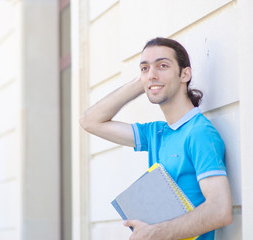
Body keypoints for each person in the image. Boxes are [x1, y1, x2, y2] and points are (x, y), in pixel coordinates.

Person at [79, 37, 233, 240]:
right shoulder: (156, 133)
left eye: (162, 66)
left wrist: (155, 233)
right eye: (144, 68)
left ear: (185, 74)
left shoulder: (199, 133)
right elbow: (90, 121)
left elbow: (220, 210)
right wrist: (146, 81)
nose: (152, 74)